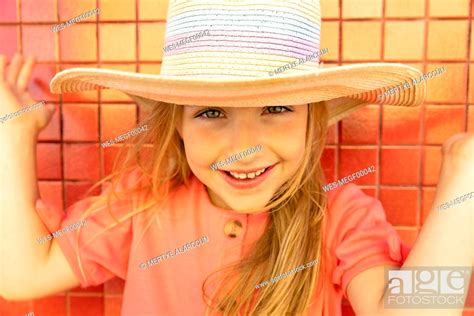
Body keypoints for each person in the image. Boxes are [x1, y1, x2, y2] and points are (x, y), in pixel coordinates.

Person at [1, 1, 473, 315]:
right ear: (177, 126)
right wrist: (14, 133)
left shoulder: (338, 216)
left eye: (276, 108)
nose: (243, 143)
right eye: (211, 111)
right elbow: (20, 275)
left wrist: (463, 186)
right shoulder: (143, 208)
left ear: (313, 120)